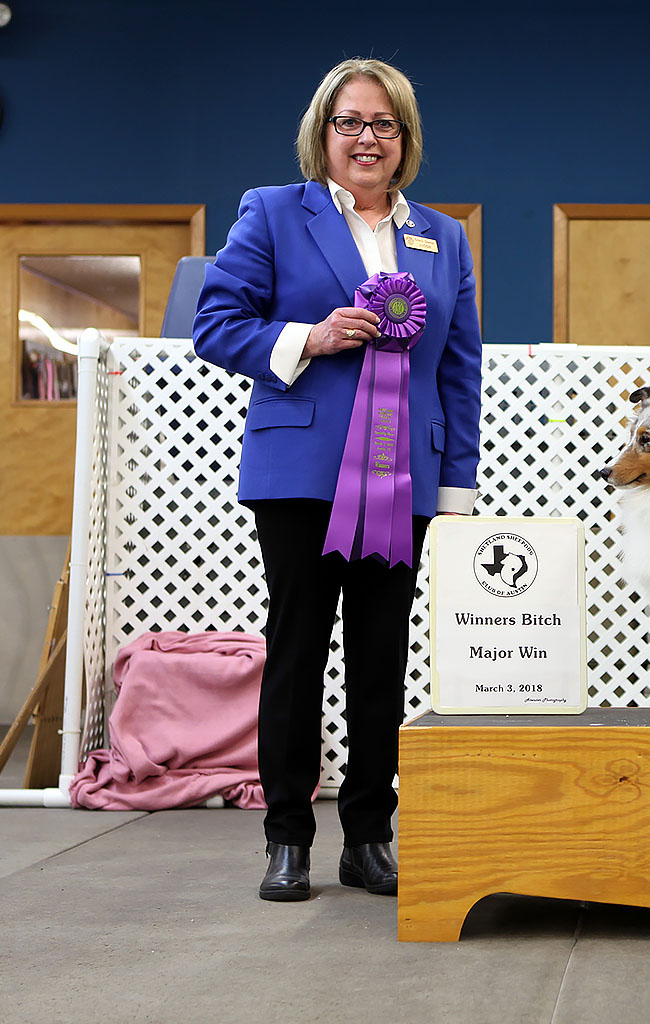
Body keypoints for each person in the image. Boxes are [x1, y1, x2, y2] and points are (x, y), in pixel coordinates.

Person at [194, 58, 482, 901]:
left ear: (405, 139)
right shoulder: (272, 212)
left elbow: (459, 369)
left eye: (384, 124)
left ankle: (369, 837)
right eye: (349, 122)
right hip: (298, 475)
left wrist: (455, 485)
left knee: (380, 657)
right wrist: (307, 338)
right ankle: (287, 837)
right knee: (297, 652)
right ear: (322, 133)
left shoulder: (444, 237)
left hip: (406, 478)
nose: (367, 138)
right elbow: (215, 324)